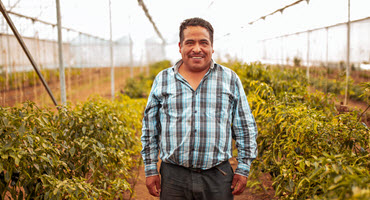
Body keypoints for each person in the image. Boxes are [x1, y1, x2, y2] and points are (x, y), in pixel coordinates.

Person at [141, 17, 258, 200]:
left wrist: (243, 168)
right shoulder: (163, 79)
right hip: (173, 177)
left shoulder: (230, 79)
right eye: (190, 43)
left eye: (203, 42)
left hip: (218, 176)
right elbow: (150, 128)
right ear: (180, 47)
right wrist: (150, 169)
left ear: (212, 47)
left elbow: (245, 127)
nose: (197, 49)